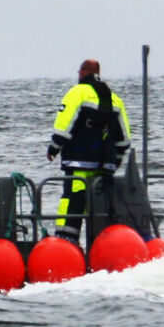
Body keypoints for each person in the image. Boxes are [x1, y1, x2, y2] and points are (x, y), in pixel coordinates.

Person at [47, 58, 132, 242]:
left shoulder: (77, 93)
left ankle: (65, 242)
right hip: (105, 166)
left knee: (73, 200)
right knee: (101, 206)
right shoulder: (113, 97)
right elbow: (124, 136)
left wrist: (54, 147)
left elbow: (64, 124)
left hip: (79, 162)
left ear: (83, 72)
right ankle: (104, 244)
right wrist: (116, 157)